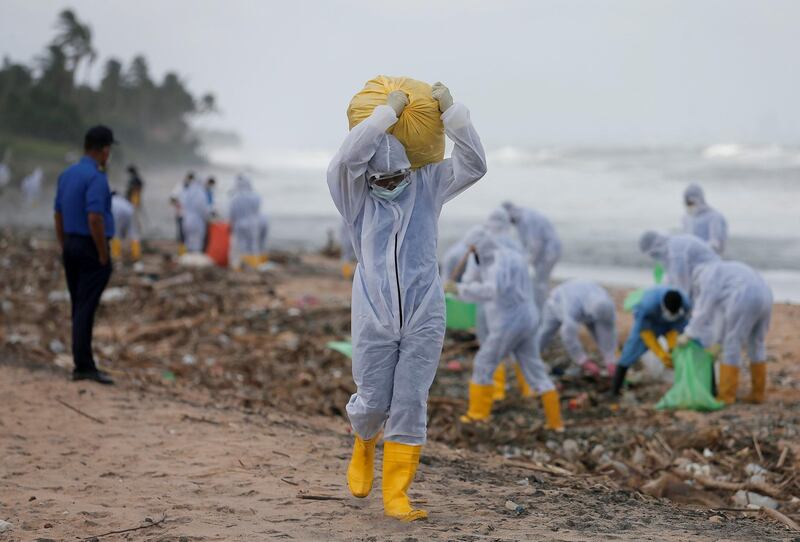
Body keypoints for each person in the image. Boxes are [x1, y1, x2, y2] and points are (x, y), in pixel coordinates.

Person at [328, 82, 486, 521]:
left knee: (412, 399)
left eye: (396, 176)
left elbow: (474, 165)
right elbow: (345, 160)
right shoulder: (355, 197)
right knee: (373, 399)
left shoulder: (428, 184)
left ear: (410, 170)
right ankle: (363, 442)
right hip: (375, 311)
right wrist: (383, 116)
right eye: (380, 178)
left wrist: (454, 114)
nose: (389, 185)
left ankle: (397, 491)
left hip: (424, 309)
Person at [448, 228, 563, 431]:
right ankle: (555, 423)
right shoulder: (505, 256)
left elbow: (492, 290)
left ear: (479, 247)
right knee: (534, 366)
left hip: (510, 320)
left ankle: (477, 416)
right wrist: (462, 287)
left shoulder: (497, 263)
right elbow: (473, 277)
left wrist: (459, 290)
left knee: (484, 362)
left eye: (472, 249)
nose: (471, 253)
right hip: (529, 317)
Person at [53, 125, 117, 385]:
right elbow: (94, 217)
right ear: (104, 150)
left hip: (71, 244)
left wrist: (64, 244)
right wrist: (102, 252)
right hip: (90, 247)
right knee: (85, 307)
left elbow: (57, 213)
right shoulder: (96, 177)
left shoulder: (67, 174)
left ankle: (83, 360)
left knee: (79, 304)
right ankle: (83, 364)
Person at [682, 261, 772, 404]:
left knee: (732, 345)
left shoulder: (707, 276)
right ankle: (758, 393)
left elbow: (703, 310)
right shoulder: (724, 270)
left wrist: (688, 333)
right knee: (757, 343)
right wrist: (718, 342)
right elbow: (722, 317)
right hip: (766, 296)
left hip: (744, 296)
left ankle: (726, 396)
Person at [610, 286, 691, 396]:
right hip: (650, 325)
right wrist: (661, 353)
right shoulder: (647, 305)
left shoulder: (685, 302)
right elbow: (645, 332)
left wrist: (672, 347)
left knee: (683, 349)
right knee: (630, 351)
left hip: (673, 324)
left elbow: (679, 326)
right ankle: (615, 390)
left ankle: (685, 388)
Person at [537, 279, 617, 377]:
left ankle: (609, 360)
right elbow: (568, 336)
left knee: (599, 332)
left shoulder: (606, 303)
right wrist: (584, 361)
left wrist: (610, 360)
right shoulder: (572, 307)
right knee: (546, 333)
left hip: (587, 306)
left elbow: (608, 330)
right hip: (556, 304)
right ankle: (531, 356)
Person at [501, 202, 561, 309]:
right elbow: (525, 245)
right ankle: (542, 308)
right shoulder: (520, 221)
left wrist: (525, 263)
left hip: (549, 252)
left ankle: (542, 311)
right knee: (539, 282)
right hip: (542, 253)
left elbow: (534, 244)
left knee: (540, 283)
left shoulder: (527, 218)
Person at [639, 231, 720, 293]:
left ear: (656, 246)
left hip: (713, 277)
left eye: (653, 254)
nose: (655, 257)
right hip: (707, 275)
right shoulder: (671, 246)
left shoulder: (676, 250)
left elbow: (681, 280)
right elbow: (672, 278)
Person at [682, 183, 727, 255]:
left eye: (691, 202)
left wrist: (697, 250)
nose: (690, 205)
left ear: (700, 199)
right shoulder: (686, 218)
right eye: (687, 203)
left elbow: (716, 244)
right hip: (691, 261)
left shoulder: (714, 217)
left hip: (709, 260)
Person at [228, 174, 262, 268]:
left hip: (239, 224)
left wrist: (231, 224)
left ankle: (239, 266)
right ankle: (254, 265)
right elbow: (257, 210)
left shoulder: (235, 198)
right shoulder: (256, 196)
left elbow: (232, 214)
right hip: (252, 224)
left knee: (240, 246)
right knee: (252, 246)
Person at [180, 176, 211, 253]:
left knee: (188, 242)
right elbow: (203, 210)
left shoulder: (187, 192)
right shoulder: (201, 194)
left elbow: (182, 205)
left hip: (186, 220)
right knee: (197, 244)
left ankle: (187, 259)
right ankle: (194, 260)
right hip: (197, 221)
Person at [110, 192, 141, 261]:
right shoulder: (121, 199)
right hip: (130, 210)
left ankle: (116, 256)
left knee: (116, 234)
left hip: (117, 213)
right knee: (133, 234)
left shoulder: (111, 200)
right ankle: (136, 255)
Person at [169, 172, 194, 255]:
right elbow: (172, 199)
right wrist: (178, 204)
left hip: (190, 216)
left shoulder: (194, 189)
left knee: (189, 234)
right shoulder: (179, 187)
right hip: (180, 215)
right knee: (181, 235)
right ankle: (182, 253)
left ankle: (188, 252)